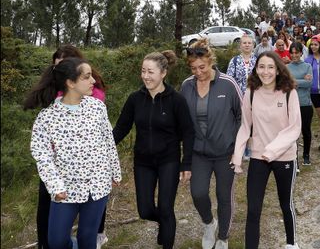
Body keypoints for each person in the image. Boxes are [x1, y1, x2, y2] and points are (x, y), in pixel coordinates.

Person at [25, 57, 122, 249]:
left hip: (97, 185)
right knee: (57, 241)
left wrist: (115, 171)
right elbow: (41, 153)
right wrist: (55, 185)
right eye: (87, 77)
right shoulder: (48, 116)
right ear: (70, 82)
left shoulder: (97, 107)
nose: (93, 81)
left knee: (88, 239)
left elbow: (108, 141)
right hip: (65, 189)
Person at [112, 51, 194, 248]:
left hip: (169, 160)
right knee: (145, 210)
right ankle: (164, 223)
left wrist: (186, 163)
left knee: (166, 208)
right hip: (143, 162)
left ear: (163, 73)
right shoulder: (135, 99)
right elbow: (121, 128)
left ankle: (166, 233)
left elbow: (189, 132)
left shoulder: (176, 100)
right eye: (143, 71)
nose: (146, 76)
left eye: (150, 72)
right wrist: (101, 148)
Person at [231, 51, 301, 249]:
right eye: (261, 67)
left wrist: (271, 151)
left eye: (270, 67)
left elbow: (294, 128)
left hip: (284, 156)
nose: (265, 71)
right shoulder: (250, 92)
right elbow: (245, 127)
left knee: (285, 204)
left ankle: (291, 244)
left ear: (278, 70)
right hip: (258, 157)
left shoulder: (289, 92)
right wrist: (237, 156)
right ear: (255, 69)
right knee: (253, 209)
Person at [180, 38, 242, 249]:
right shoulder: (187, 86)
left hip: (226, 153)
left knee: (224, 196)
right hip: (199, 152)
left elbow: (243, 117)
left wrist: (239, 150)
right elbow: (182, 122)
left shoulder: (228, 83)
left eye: (202, 67)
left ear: (210, 61)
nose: (198, 72)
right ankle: (209, 223)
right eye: (193, 68)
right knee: (198, 193)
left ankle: (223, 237)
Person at [287, 42, 313, 165]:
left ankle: (306, 155)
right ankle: (294, 157)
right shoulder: (287, 68)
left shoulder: (307, 66)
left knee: (306, 130)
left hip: (305, 103)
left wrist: (294, 81)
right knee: (293, 133)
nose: (294, 55)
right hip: (291, 104)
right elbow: (286, 84)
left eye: (296, 52)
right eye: (292, 53)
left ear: (301, 53)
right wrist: (302, 80)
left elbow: (309, 83)